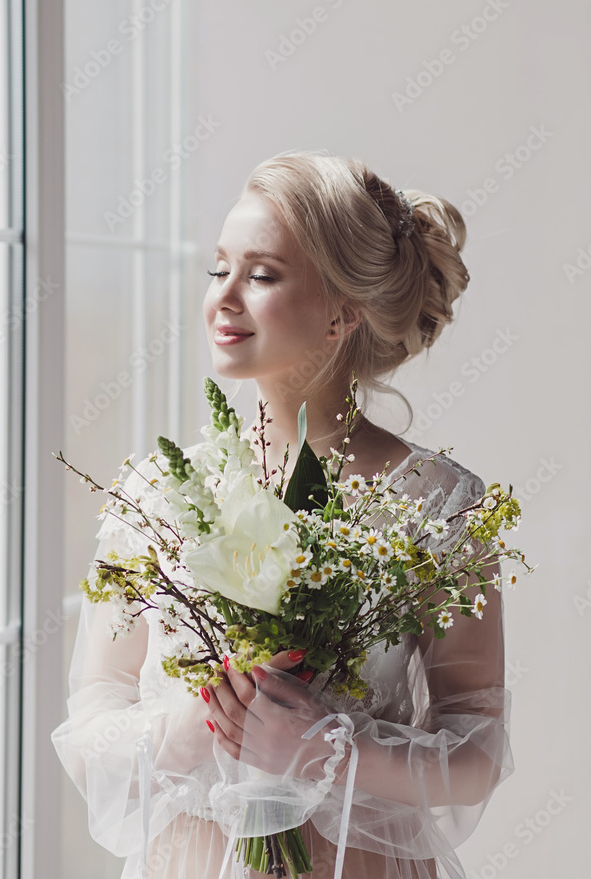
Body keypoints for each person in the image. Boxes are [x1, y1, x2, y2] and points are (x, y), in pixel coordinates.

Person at [52, 151, 513, 879]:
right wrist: (187, 728)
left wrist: (331, 749)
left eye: (261, 274)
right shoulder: (155, 493)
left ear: (343, 311)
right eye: (218, 269)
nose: (223, 298)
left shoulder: (436, 504)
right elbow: (87, 732)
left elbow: (477, 752)